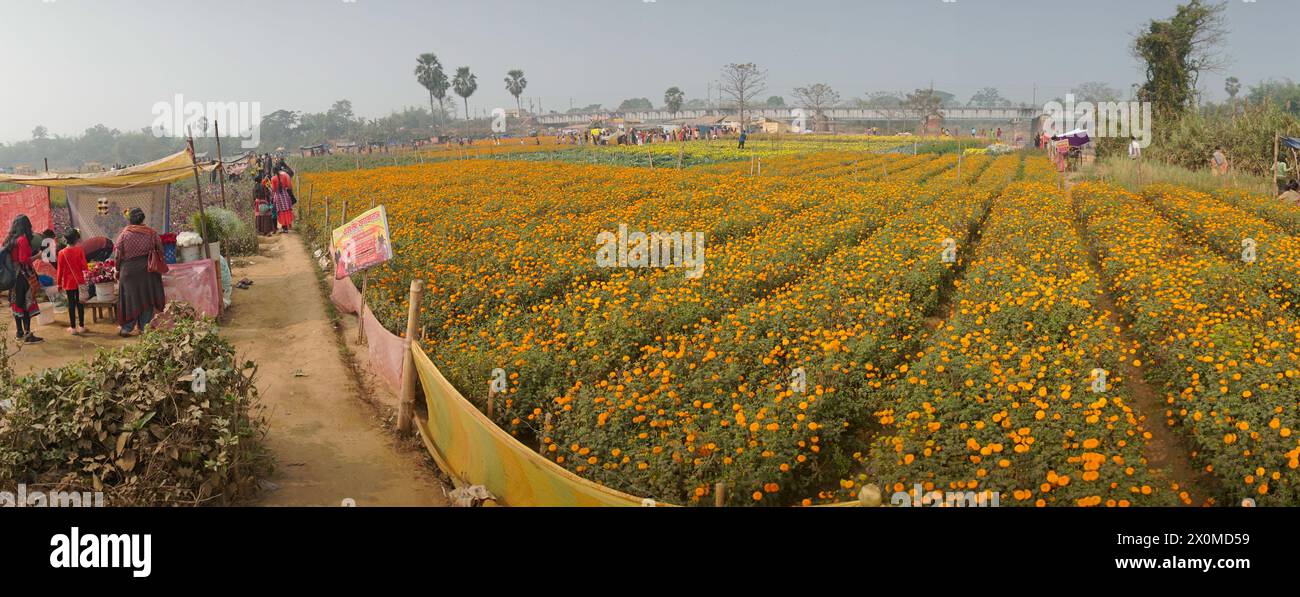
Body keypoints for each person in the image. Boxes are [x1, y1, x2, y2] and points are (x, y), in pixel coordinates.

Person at [113, 208, 166, 338]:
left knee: (129, 299)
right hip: (147, 271)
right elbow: (161, 250)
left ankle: (126, 328)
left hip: (129, 272)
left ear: (130, 220)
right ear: (143, 219)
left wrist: (117, 269)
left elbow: (117, 256)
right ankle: (144, 327)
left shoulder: (124, 235)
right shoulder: (152, 233)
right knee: (146, 298)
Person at [3, 215, 44, 343]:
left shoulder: (9, 240)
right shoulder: (22, 240)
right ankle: (27, 334)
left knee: (16, 304)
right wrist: (37, 256)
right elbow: (23, 260)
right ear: (26, 226)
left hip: (12, 278)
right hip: (23, 277)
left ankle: (19, 333)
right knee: (26, 304)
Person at [55, 229, 88, 335]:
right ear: (76, 239)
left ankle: (73, 328)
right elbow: (84, 267)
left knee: (71, 304)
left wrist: (59, 283)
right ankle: (82, 326)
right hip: (79, 281)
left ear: (66, 239)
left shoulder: (61, 253)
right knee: (80, 303)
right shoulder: (80, 250)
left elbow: (60, 270)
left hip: (69, 283)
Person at [270, 168, 295, 233]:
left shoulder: (273, 178)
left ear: (273, 172)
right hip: (285, 195)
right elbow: (287, 185)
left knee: (281, 211)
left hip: (278, 196)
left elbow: (274, 189)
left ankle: (284, 227)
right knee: (287, 210)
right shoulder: (284, 176)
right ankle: (287, 226)